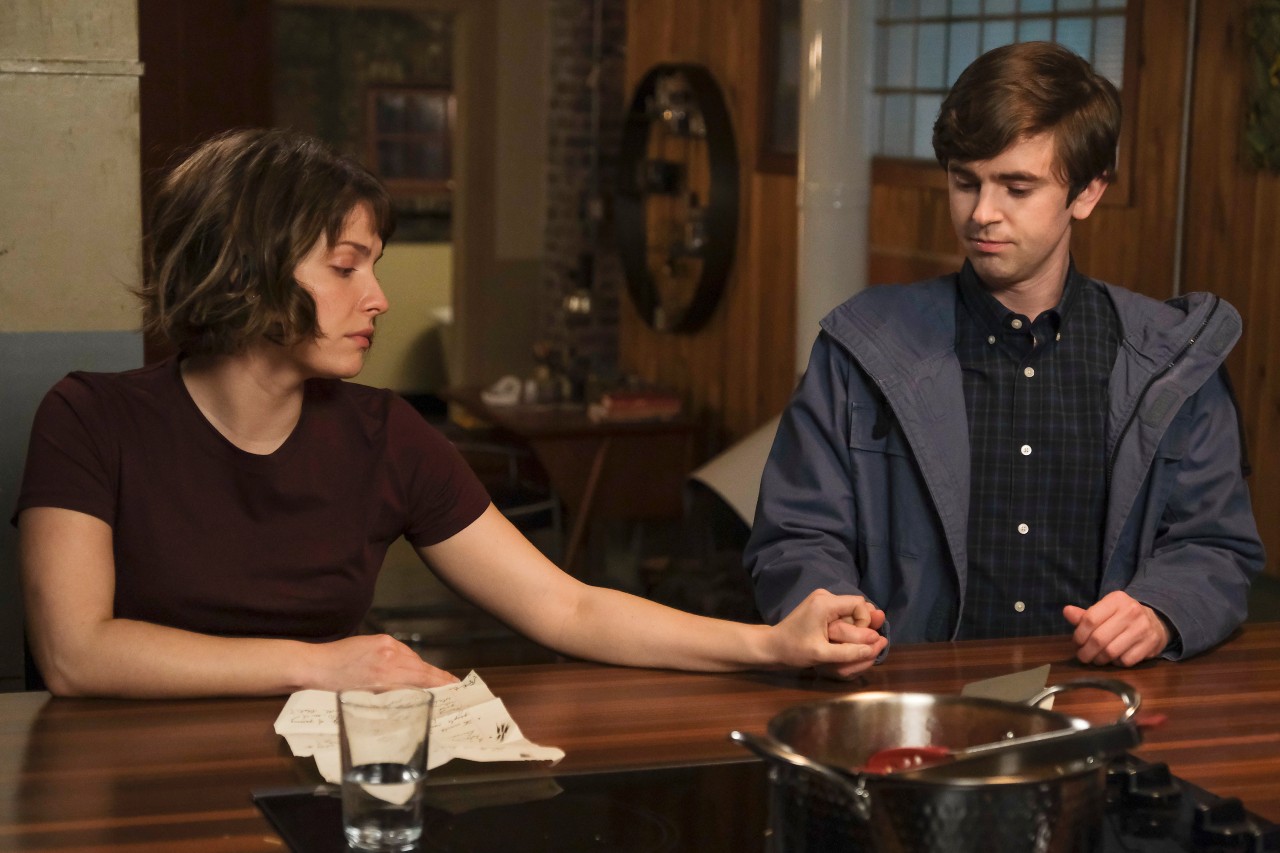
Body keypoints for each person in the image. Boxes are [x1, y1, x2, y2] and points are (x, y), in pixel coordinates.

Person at [14, 127, 887, 699]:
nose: (378, 297)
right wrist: (321, 665)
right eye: (346, 266)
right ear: (244, 269)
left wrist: (769, 644)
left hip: (317, 770)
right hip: (125, 781)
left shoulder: (384, 433)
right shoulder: (90, 419)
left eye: (375, 265)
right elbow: (75, 654)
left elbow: (568, 608)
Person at [746, 41, 1264, 669]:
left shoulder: (1168, 359)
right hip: (908, 700)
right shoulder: (865, 346)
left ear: (1087, 192)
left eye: (1017, 188)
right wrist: (827, 609)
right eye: (965, 182)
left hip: (1098, 699)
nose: (982, 214)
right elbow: (797, 532)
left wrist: (1159, 611)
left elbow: (1215, 546)